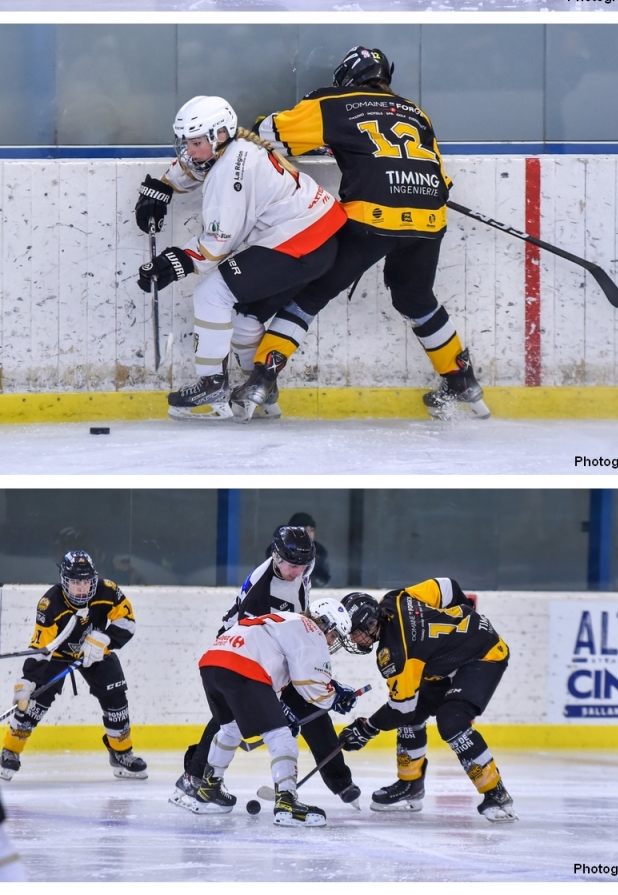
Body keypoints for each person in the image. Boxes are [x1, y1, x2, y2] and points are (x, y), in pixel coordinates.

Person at [230, 46, 489, 421]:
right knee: (416, 298)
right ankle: (462, 379)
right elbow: (442, 179)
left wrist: (317, 137)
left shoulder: (334, 102)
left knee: (312, 292)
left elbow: (267, 134)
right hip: (430, 215)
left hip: (372, 215)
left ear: (348, 76)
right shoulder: (415, 112)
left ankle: (262, 377)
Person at [135, 95, 346, 420]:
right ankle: (262, 395)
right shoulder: (239, 141)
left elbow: (217, 246)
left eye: (194, 142)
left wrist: (172, 263)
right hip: (319, 239)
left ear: (219, 135)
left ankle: (212, 384)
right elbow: (196, 164)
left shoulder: (230, 176)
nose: (188, 150)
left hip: (299, 242)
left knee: (212, 294)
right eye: (186, 142)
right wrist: (162, 187)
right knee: (246, 317)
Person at [172, 527, 361, 811]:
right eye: (292, 565)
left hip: (270, 646)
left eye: (303, 565)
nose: (297, 571)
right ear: (275, 556)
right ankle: (196, 776)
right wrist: (283, 703)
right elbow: (260, 638)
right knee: (234, 718)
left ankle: (339, 781)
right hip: (244, 649)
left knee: (305, 708)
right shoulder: (263, 590)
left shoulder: (296, 571)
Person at [337, 579, 517, 823]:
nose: (353, 639)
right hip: (453, 660)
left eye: (355, 632)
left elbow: (400, 710)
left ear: (371, 623)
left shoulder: (394, 655)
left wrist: (367, 728)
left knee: (451, 721)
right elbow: (448, 587)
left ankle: (497, 794)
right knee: (416, 710)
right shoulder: (394, 599)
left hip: (484, 655)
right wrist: (465, 626)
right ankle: (411, 784)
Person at [191, 599, 356, 826]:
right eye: (334, 635)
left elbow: (290, 673)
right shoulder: (311, 629)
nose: (331, 642)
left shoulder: (287, 621)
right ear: (325, 623)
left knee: (230, 728)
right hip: (243, 668)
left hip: (213, 663)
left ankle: (208, 789)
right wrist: (334, 697)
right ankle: (286, 803)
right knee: (281, 738)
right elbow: (310, 685)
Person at [0, 550, 146, 782]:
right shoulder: (50, 603)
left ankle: (121, 753)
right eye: (75, 582)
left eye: (86, 582)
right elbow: (41, 645)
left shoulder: (107, 590)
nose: (81, 588)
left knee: (116, 697)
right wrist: (28, 680)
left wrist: (105, 639)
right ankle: (10, 750)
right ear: (64, 581)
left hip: (95, 651)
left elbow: (127, 622)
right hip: (57, 656)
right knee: (34, 702)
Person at [288, 511, 331, 587]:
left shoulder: (320, 552)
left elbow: (323, 579)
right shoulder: (282, 549)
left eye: (312, 529)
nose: (309, 533)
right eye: (305, 529)